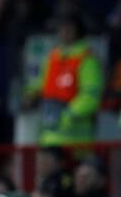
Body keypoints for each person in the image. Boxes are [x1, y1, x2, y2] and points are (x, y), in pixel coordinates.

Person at [23, 16, 103, 146]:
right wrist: (32, 95)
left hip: (76, 139)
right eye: (61, 27)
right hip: (48, 136)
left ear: (78, 30)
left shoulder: (87, 59)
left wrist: (67, 115)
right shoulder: (52, 57)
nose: (64, 31)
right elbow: (41, 85)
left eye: (69, 27)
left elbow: (91, 97)